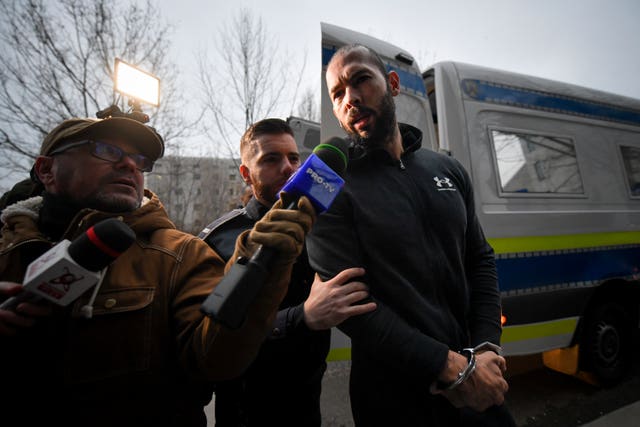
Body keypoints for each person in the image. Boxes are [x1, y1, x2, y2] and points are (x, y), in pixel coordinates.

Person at [0, 116, 316, 427]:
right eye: (106, 150)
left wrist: (261, 269)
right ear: (46, 170)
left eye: (139, 160)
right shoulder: (6, 248)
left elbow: (216, 357)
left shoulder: (182, 254)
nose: (130, 165)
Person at [306, 44, 515, 426]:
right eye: (337, 93)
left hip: (477, 385)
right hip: (394, 400)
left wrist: (485, 349)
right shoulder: (327, 183)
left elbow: (480, 259)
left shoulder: (447, 169)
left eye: (361, 80)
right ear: (336, 111)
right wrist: (447, 366)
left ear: (393, 84)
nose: (350, 98)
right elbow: (353, 308)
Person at [199, 118, 376, 426]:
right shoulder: (220, 239)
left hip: (308, 407)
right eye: (271, 159)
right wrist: (302, 317)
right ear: (245, 173)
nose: (288, 167)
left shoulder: (322, 229)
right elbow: (210, 337)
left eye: (294, 158)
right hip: (243, 411)